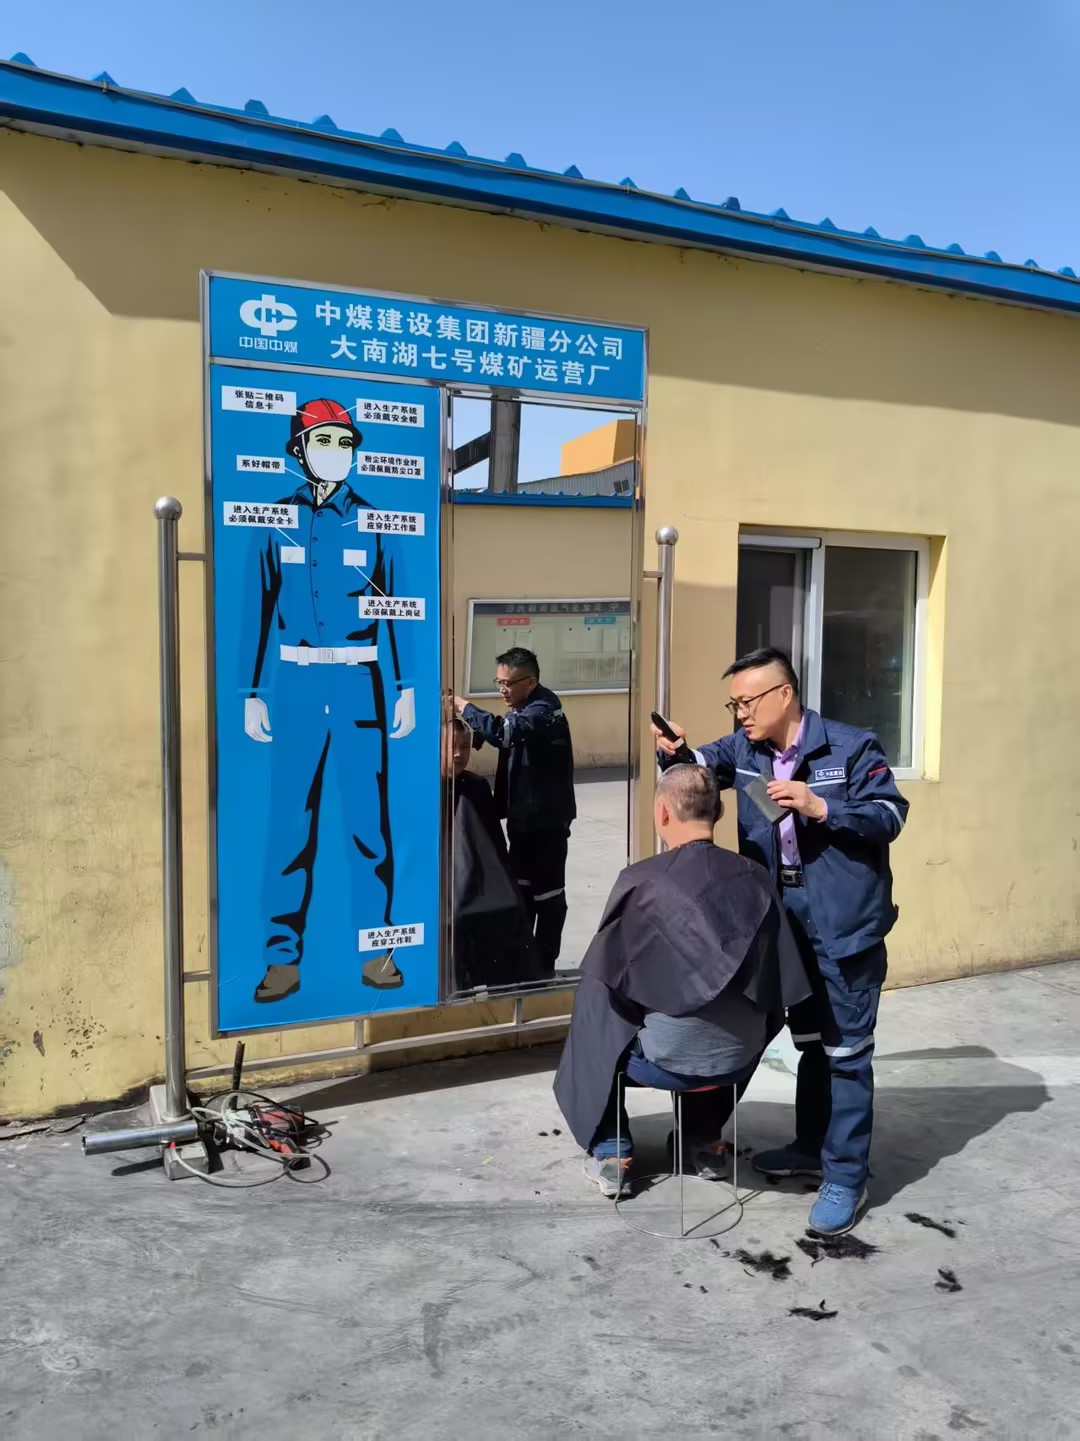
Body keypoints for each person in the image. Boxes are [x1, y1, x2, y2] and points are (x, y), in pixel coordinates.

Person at [652, 646, 909, 1236]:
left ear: (784, 694)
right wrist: (674, 751)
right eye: (733, 704)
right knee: (811, 1042)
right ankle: (810, 1147)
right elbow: (697, 769)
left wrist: (821, 807)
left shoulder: (851, 747)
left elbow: (890, 816)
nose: (740, 713)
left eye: (747, 702)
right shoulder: (744, 751)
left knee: (847, 1053)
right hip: (779, 919)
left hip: (842, 925)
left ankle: (845, 1177)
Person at [554, 765, 809, 1198]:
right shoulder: (756, 878)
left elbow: (612, 979)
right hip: (738, 1058)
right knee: (736, 1006)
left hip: (661, 1061)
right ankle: (702, 1138)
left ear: (662, 813)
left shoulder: (639, 882)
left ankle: (612, 1148)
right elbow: (781, 984)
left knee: (595, 995)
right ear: (720, 812)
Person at [245, 398, 415, 1004]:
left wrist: (407, 688)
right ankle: (281, 960)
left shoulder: (375, 522)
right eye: (324, 442)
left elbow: (398, 611)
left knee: (369, 824)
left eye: (345, 443)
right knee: (290, 825)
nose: (336, 453)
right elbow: (256, 609)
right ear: (300, 450)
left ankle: (377, 953)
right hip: (295, 685)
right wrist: (250, 692)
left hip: (358, 685)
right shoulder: (276, 521)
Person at [455, 647, 576, 975]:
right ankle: (522, 965)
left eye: (507, 683)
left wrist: (464, 707)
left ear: (530, 682)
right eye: (498, 682)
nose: (502, 690)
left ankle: (544, 968)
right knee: (520, 893)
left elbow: (506, 733)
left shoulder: (545, 710)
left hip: (546, 826)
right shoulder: (522, 709)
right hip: (523, 823)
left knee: (548, 898)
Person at [445, 717, 541, 991]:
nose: (458, 754)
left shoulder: (476, 787)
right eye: (451, 746)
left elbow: (494, 846)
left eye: (465, 747)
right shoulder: (425, 792)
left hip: (477, 886)